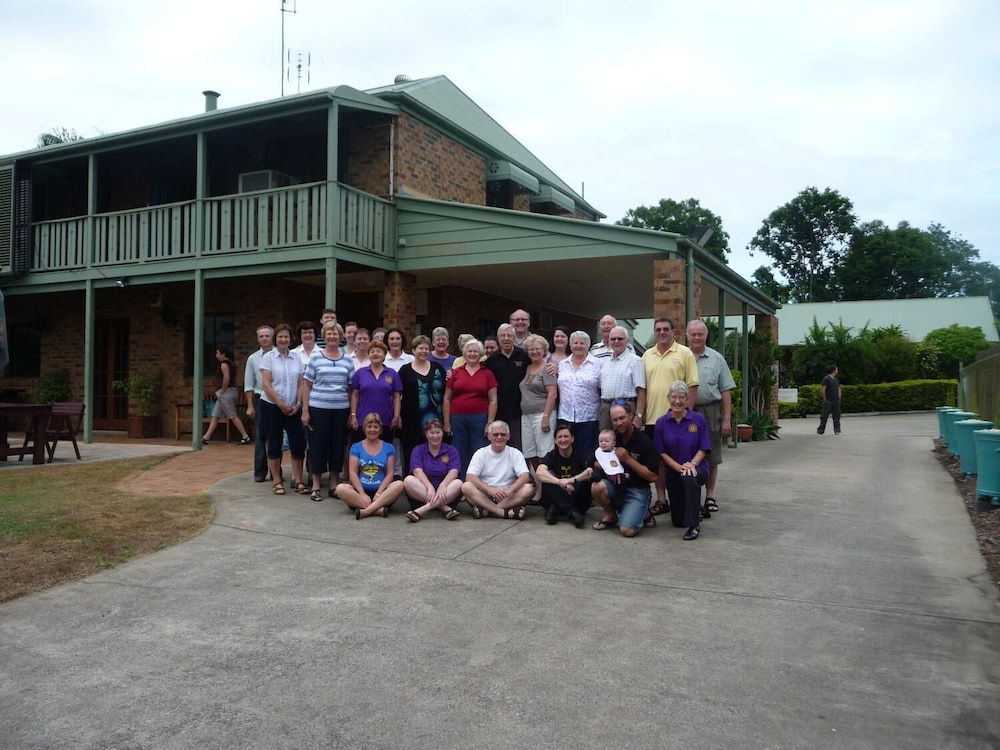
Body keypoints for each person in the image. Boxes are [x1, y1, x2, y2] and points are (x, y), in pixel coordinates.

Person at [643, 317, 699, 516]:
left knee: (681, 457)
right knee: (658, 461)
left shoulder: (684, 353)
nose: (662, 332)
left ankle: (684, 498)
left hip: (677, 418)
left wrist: (687, 414)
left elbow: (692, 385)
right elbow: (643, 388)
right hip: (652, 419)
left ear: (673, 331)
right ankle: (661, 499)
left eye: (666, 329)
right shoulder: (647, 355)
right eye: (658, 329)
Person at [687, 319, 736, 515]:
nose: (697, 338)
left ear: (706, 336)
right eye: (693, 334)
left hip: (711, 411)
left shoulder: (717, 358)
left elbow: (725, 391)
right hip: (687, 412)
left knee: (712, 455)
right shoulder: (681, 356)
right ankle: (690, 497)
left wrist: (726, 419)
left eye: (700, 334)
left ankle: (709, 496)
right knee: (687, 453)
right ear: (687, 336)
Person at [301, 322, 354, 501]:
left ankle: (333, 485)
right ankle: (316, 485)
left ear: (341, 337)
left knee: (337, 446)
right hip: (318, 409)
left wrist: (351, 413)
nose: (332, 337)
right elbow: (306, 386)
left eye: (336, 334)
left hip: (341, 410)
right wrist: (305, 411)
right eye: (329, 334)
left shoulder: (347, 360)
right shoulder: (315, 358)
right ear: (324, 336)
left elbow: (350, 389)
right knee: (317, 446)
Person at [590, 402, 659, 537]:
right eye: (615, 420)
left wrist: (628, 460)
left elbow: (653, 476)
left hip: (637, 489)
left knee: (627, 531)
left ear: (631, 416)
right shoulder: (612, 438)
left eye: (622, 418)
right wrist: (601, 466)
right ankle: (611, 515)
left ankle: (644, 513)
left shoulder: (644, 441)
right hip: (617, 485)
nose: (619, 423)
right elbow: (593, 459)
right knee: (596, 486)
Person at [654, 381, 711, 540]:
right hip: (674, 473)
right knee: (678, 521)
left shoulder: (698, 419)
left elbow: (704, 448)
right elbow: (661, 453)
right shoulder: (661, 423)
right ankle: (695, 508)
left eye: (681, 397)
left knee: (689, 477)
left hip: (697, 468)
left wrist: (692, 464)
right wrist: (679, 467)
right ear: (668, 398)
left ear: (687, 400)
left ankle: (694, 526)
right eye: (673, 397)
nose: (677, 401)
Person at [260, 323, 308, 496]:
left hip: (293, 408)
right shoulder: (268, 357)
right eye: (280, 336)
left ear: (291, 339)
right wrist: (280, 403)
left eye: (286, 336)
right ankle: (277, 481)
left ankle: (298, 480)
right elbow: (266, 384)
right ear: (275, 339)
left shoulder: (296, 358)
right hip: (272, 406)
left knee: (298, 443)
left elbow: (301, 383)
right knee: (274, 443)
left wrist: (298, 404)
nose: (283, 339)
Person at [443, 338, 498, 475]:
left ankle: (476, 483)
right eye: (469, 351)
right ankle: (460, 484)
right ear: (464, 354)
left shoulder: (487, 374)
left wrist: (489, 423)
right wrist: (447, 422)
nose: (472, 354)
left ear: (480, 354)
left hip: (480, 418)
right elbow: (446, 398)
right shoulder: (455, 373)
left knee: (478, 451)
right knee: (459, 450)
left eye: (475, 351)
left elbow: (493, 400)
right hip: (457, 418)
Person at [335, 413, 406, 518]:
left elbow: (390, 473)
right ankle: (377, 510)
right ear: (364, 428)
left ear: (381, 430)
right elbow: (353, 473)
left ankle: (366, 511)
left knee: (399, 484)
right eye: (369, 426)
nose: (372, 430)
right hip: (359, 494)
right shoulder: (356, 447)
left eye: (376, 427)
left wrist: (379, 493)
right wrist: (362, 493)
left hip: (382, 494)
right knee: (340, 488)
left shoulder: (389, 447)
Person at [461, 420, 534, 518]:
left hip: (508, 496)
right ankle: (503, 512)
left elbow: (525, 476)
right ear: (489, 436)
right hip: (485, 495)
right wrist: (489, 490)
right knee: (466, 486)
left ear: (508, 436)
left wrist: (510, 490)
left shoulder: (515, 453)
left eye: (503, 434)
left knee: (528, 489)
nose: (499, 437)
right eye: (495, 434)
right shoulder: (480, 453)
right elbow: (470, 477)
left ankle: (487, 510)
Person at [398, 334, 448, 474]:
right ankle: (411, 481)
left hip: (435, 419)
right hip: (411, 419)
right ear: (413, 350)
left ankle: (434, 479)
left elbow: (446, 393)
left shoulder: (438, 368)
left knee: (434, 449)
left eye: (426, 348)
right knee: (411, 450)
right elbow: (397, 395)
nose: (424, 351)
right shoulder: (405, 370)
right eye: (420, 348)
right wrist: (398, 416)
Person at [518, 333, 558, 499]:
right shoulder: (528, 368)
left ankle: (544, 489)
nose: (534, 352)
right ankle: (540, 480)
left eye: (538, 349)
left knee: (544, 452)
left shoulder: (547, 368)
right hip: (526, 416)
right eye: (531, 349)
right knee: (530, 452)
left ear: (544, 350)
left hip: (542, 414)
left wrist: (546, 417)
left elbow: (552, 394)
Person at [403, 419, 463, 521]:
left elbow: (454, 471)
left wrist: (443, 485)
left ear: (443, 433)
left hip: (445, 492)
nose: (435, 436)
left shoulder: (451, 450)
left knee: (458, 483)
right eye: (431, 432)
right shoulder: (418, 450)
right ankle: (444, 508)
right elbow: (417, 471)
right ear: (426, 434)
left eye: (438, 432)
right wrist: (429, 487)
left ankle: (422, 510)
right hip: (423, 492)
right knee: (408, 480)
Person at [534, 423, 593, 527]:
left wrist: (572, 480)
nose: (563, 440)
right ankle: (571, 512)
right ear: (555, 441)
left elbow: (590, 472)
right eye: (559, 437)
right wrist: (560, 482)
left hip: (578, 499)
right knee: (547, 476)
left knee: (584, 478)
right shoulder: (552, 455)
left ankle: (556, 509)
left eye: (566, 436)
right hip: (565, 496)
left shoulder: (580, 454)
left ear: (572, 439)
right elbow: (539, 472)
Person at [484, 323, 529, 449]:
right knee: (498, 446)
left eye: (509, 335)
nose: (506, 338)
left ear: (514, 338)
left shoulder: (523, 356)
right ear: (498, 339)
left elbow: (537, 366)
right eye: (503, 336)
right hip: (498, 411)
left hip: (518, 411)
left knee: (517, 447)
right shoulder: (492, 359)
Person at [348, 339, 402, 445]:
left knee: (384, 452)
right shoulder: (360, 373)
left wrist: (396, 416)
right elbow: (355, 395)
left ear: (384, 355)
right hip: (362, 419)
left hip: (386, 420)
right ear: (369, 355)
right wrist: (353, 415)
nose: (375, 354)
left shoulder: (392, 374)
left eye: (379, 351)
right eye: (372, 351)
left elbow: (396, 397)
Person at [557, 331, 602, 455]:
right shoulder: (562, 364)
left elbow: (602, 389)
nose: (578, 346)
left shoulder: (598, 364)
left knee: (586, 452)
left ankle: (586, 474)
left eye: (582, 343)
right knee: (566, 450)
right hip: (565, 415)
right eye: (575, 343)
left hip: (589, 416)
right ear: (570, 346)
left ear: (588, 346)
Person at [598, 326, 646, 431]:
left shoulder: (635, 361)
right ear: (609, 341)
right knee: (606, 442)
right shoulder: (604, 362)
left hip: (626, 406)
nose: (616, 341)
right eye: (613, 339)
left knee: (627, 442)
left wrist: (638, 415)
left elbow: (641, 391)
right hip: (606, 409)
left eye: (620, 339)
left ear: (627, 341)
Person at [203, 344, 252, 444]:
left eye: (217, 353)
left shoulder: (224, 364)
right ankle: (206, 437)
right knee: (215, 416)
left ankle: (245, 436)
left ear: (223, 354)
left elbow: (226, 378)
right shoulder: (231, 363)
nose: (216, 355)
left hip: (226, 393)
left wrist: (222, 390)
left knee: (232, 415)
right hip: (227, 393)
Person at [244, 325, 274, 482]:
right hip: (260, 399)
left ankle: (276, 472)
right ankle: (260, 472)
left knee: (275, 438)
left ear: (272, 337)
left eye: (267, 336)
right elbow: (248, 385)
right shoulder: (252, 359)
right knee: (260, 437)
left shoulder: (279, 355)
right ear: (258, 339)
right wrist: (250, 406)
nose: (264, 338)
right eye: (261, 336)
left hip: (277, 400)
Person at [817, 364, 841, 435]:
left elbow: (838, 388)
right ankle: (821, 429)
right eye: (836, 369)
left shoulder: (836, 379)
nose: (837, 371)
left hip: (836, 400)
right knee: (824, 416)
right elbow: (823, 389)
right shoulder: (826, 379)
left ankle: (837, 430)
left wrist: (839, 396)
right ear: (833, 370)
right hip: (828, 400)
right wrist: (824, 398)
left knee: (836, 416)